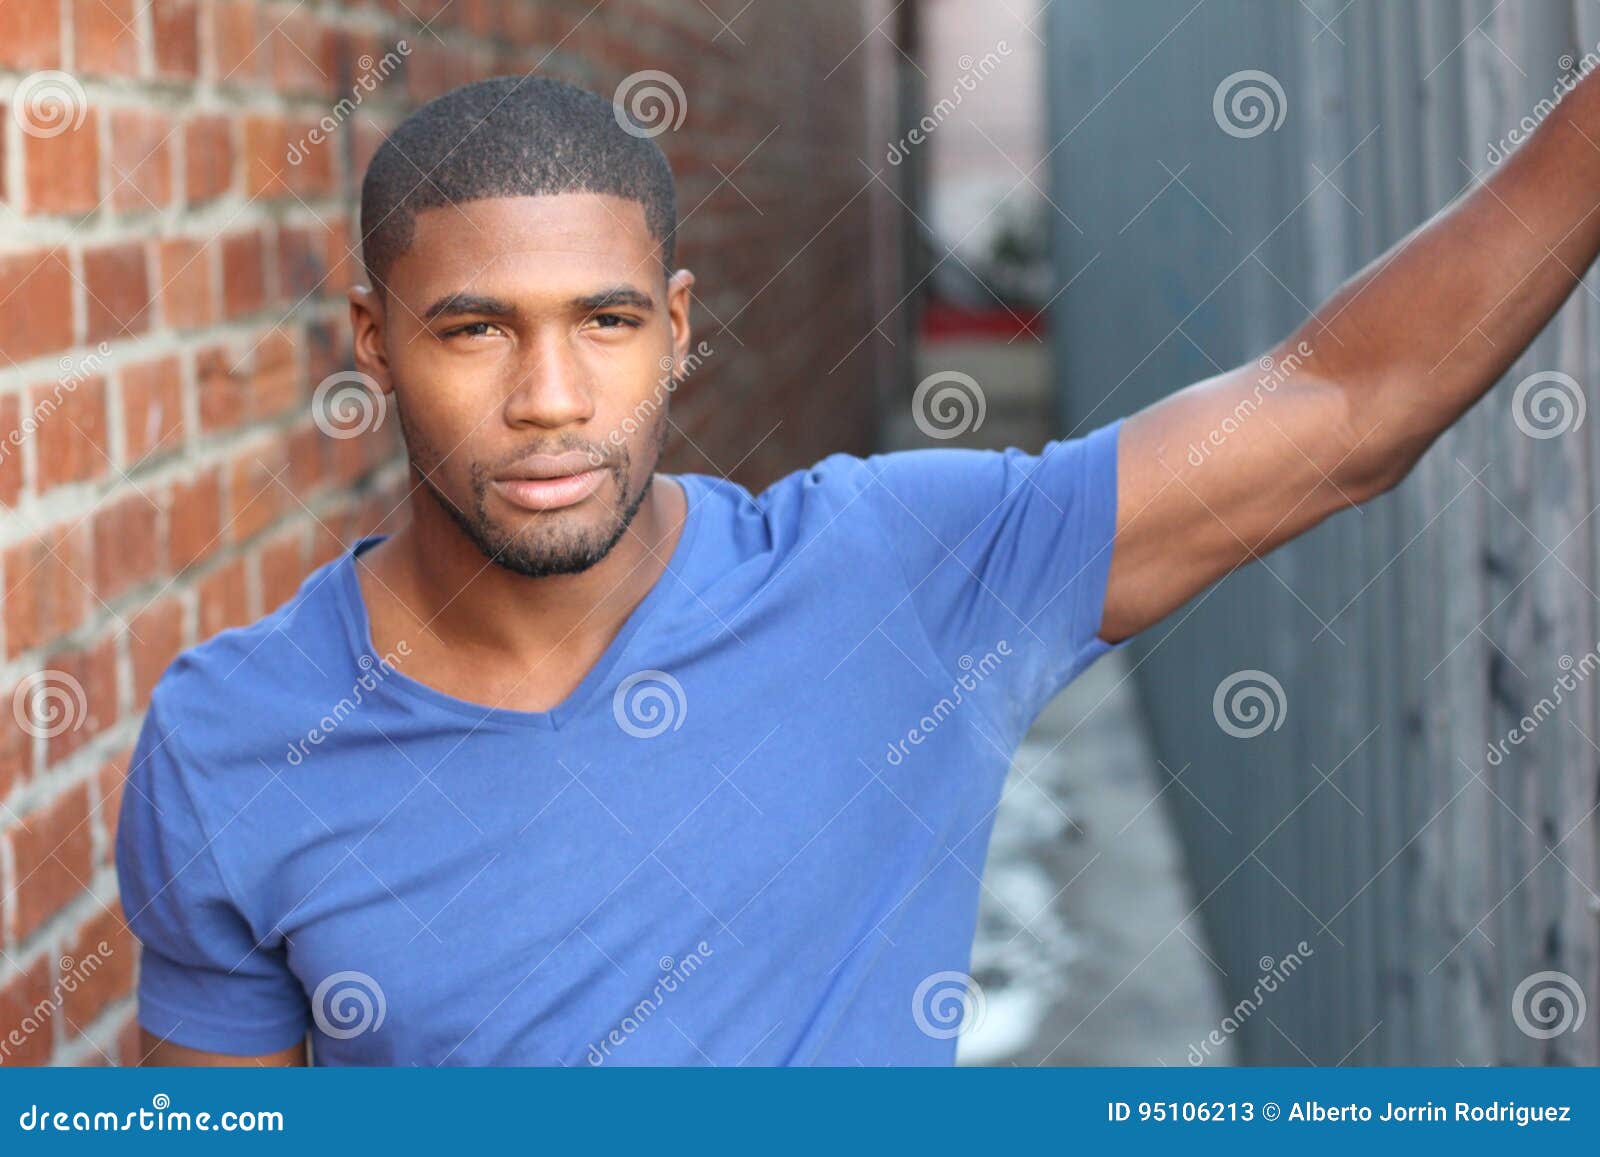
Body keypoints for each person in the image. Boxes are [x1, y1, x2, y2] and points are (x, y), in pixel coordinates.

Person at [115, 68, 1600, 1065]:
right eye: (474, 327)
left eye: (608, 320)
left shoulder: (898, 579)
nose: (551, 396)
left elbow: (1345, 407)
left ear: (680, 327)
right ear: (376, 341)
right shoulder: (235, 739)